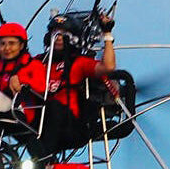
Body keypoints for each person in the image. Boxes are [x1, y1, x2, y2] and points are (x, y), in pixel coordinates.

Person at [21, 13, 117, 157]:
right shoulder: (38, 62)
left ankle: (44, 158)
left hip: (67, 123)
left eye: (63, 33)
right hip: (39, 120)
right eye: (55, 33)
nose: (58, 37)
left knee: (53, 107)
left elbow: (108, 67)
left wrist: (107, 34)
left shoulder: (78, 62)